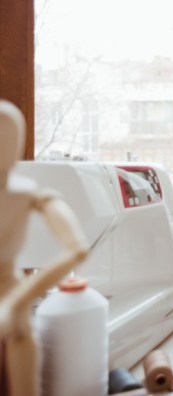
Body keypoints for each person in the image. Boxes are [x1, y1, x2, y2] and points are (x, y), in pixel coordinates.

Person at [0, 100, 88, 396]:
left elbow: (77, 248)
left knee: (23, 340)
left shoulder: (28, 195)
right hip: (14, 290)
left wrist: (15, 301)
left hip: (12, 288)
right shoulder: (32, 196)